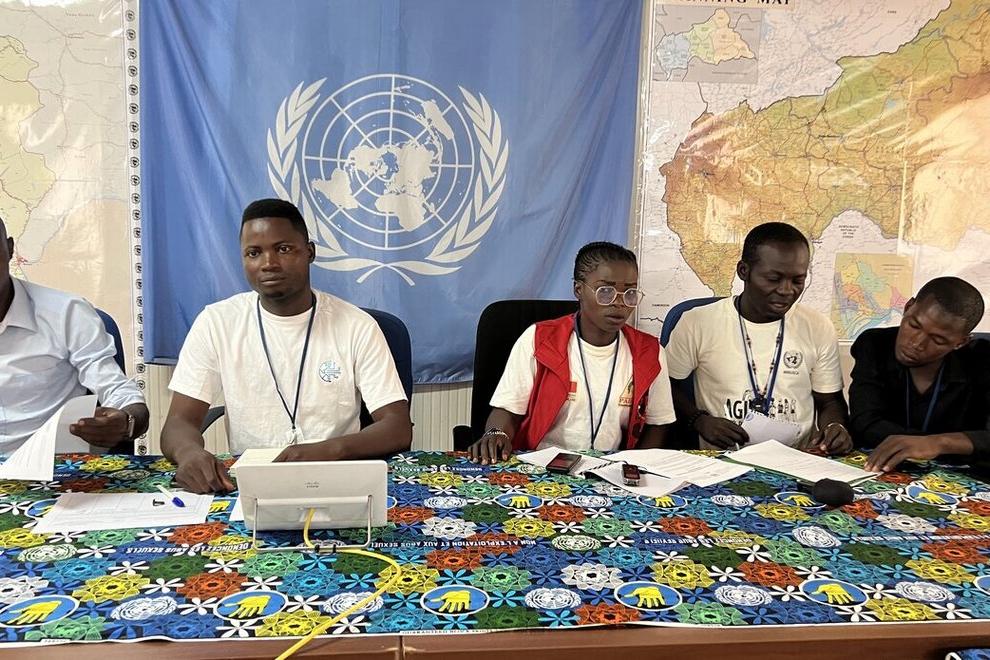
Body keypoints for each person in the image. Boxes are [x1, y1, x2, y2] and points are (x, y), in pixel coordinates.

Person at [161, 199, 412, 493]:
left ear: (310, 252)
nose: (268, 263)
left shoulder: (357, 326)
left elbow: (396, 426)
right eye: (254, 253)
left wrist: (327, 451)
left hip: (337, 476)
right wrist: (189, 453)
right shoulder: (216, 323)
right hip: (250, 483)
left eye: (283, 249)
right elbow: (178, 422)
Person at [468, 241, 676, 464]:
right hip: (541, 465)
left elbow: (658, 423)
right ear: (578, 290)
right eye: (605, 291)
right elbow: (507, 411)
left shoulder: (649, 352)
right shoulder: (538, 340)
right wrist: (496, 433)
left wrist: (633, 465)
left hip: (610, 468)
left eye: (630, 293)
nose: (619, 303)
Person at [665, 222, 851, 453]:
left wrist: (835, 427)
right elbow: (665, 387)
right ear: (744, 271)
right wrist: (699, 420)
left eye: (797, 280)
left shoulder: (818, 326)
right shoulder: (697, 322)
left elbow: (830, 401)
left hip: (797, 458)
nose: (786, 290)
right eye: (773, 279)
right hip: (724, 457)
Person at [0, 215, 148, 454]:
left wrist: (127, 421)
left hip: (50, 466)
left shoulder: (66, 313)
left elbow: (119, 392)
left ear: (9, 248)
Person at [851, 277, 990, 473]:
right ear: (908, 307)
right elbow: (864, 422)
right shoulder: (875, 345)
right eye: (914, 326)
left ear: (960, 342)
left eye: (938, 340)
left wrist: (938, 443)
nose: (917, 343)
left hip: (960, 477)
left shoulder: (983, 361)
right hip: (882, 469)